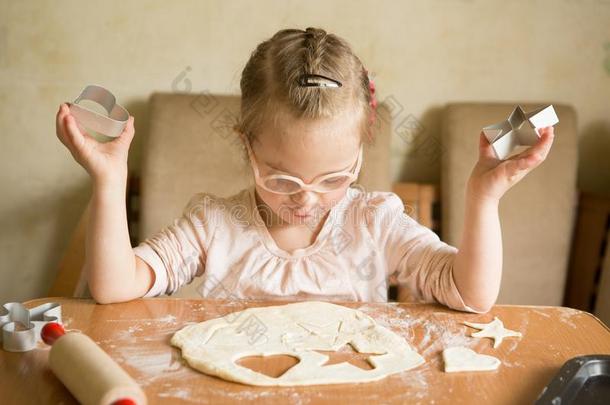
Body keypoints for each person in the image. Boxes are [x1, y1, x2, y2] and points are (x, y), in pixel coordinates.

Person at [54, 27, 554, 312]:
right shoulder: (215, 226)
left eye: (335, 179)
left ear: (362, 148)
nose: (306, 200)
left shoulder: (374, 223)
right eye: (282, 179)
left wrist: (483, 199)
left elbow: (471, 295)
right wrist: (109, 181)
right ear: (247, 146)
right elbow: (115, 286)